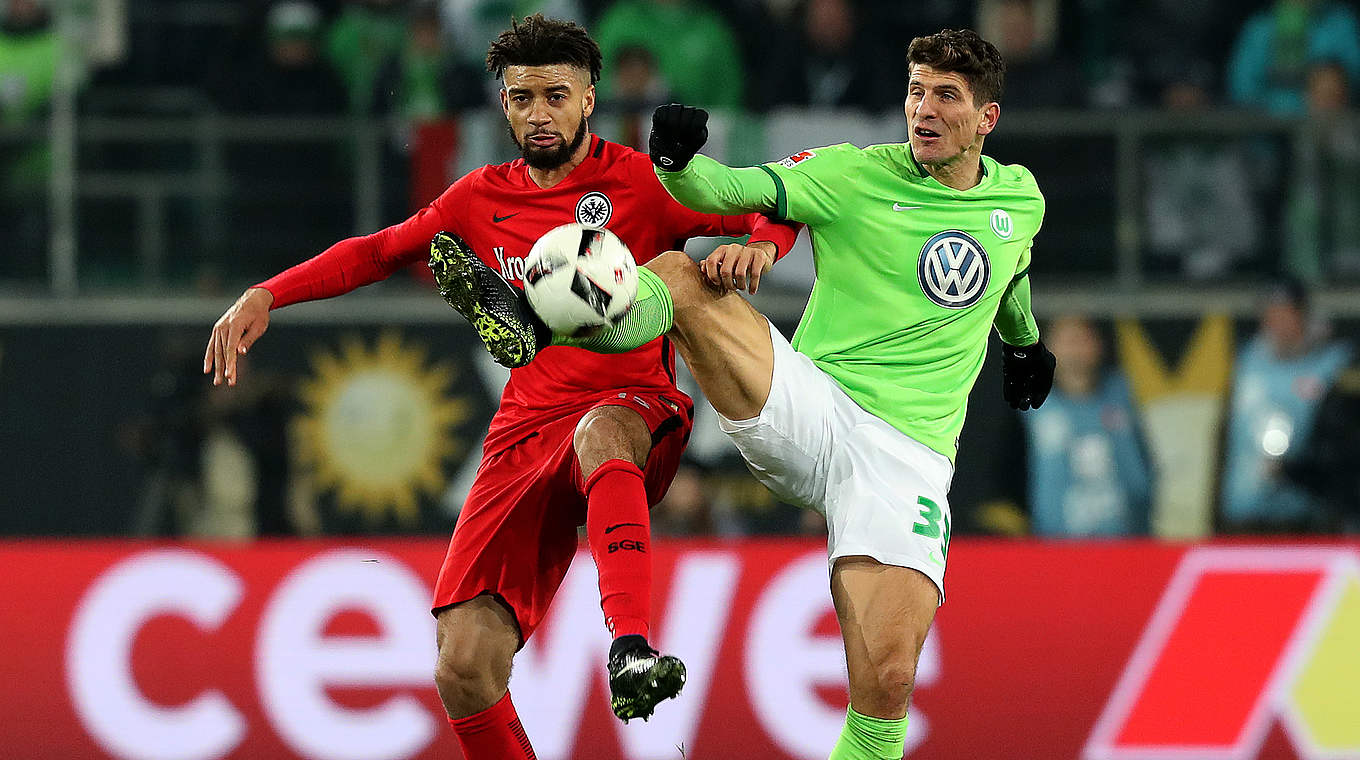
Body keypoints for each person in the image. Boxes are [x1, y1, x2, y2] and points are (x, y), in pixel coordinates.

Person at [435, 27, 1055, 759]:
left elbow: (1008, 274)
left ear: (986, 118)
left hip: (908, 458)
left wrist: (1023, 341)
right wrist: (675, 162)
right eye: (916, 90)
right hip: (811, 405)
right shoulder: (851, 173)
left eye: (944, 96)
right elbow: (730, 191)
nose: (923, 108)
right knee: (676, 272)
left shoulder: (1020, 199)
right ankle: (554, 334)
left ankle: (554, 326)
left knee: (887, 683)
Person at [203, 14, 797, 758]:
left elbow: (782, 199)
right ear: (503, 104)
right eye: (521, 99)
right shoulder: (479, 198)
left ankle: (633, 647)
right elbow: (379, 251)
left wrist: (759, 249)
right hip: (524, 428)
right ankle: (522, 328)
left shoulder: (644, 183)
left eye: (555, 95)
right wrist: (268, 294)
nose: (538, 114)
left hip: (633, 406)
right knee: (462, 665)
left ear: (589, 98)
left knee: (599, 434)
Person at [1220, 279, 1351, 532]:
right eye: (1270, 314)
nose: (1277, 323)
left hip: (1306, 512)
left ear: (1302, 314)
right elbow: (1222, 437)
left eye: (1285, 313)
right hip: (1245, 512)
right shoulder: (1246, 362)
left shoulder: (1333, 364)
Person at [1022, 315, 1151, 536]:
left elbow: (1142, 468)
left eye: (1081, 339)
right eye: (1066, 340)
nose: (1074, 350)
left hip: (1123, 541)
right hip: (1051, 545)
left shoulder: (1121, 395)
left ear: (1098, 344)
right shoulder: (1029, 406)